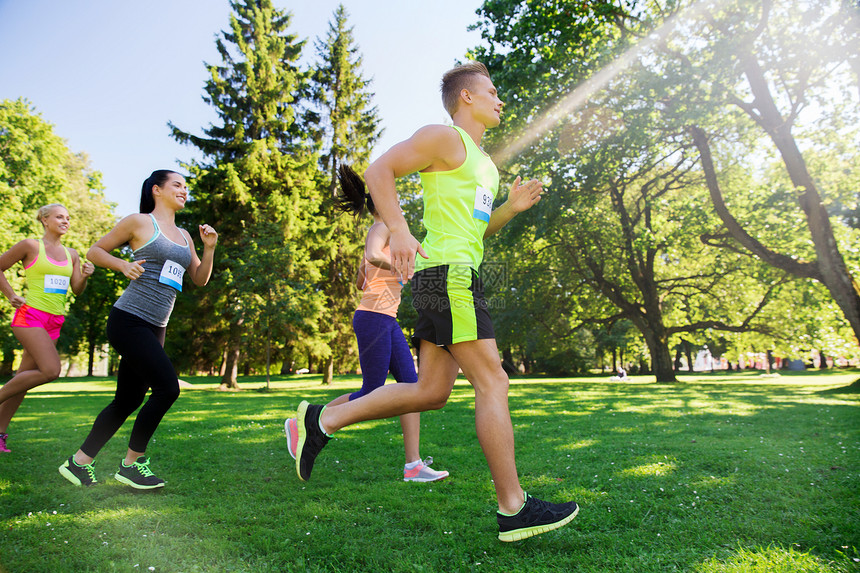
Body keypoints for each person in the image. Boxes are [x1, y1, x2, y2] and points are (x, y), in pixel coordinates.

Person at [292, 62, 579, 542]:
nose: (499, 98)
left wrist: (509, 208)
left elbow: (476, 230)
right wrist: (400, 230)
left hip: (453, 275)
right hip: (448, 277)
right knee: (494, 381)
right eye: (491, 91)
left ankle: (321, 420)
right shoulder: (446, 139)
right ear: (465, 98)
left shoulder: (485, 165)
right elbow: (378, 170)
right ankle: (514, 508)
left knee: (431, 392)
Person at [284, 165, 448, 483]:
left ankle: (413, 465)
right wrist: (401, 263)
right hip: (374, 318)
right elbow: (374, 256)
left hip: (385, 318)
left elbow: (362, 278)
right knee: (372, 390)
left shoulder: (382, 230)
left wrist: (383, 267)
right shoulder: (383, 227)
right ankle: (307, 423)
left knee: (413, 387)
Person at [58, 170, 217, 489]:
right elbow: (95, 251)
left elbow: (199, 279)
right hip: (129, 319)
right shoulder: (140, 222)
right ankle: (131, 464)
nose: (184, 190)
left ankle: (79, 463)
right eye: (177, 184)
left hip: (157, 326)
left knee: (127, 400)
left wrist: (209, 247)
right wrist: (122, 265)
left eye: (186, 187)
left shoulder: (186, 236)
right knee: (168, 388)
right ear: (157, 190)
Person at [0, 204, 95, 453]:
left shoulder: (72, 254)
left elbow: (76, 289)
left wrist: (84, 274)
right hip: (30, 316)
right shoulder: (31, 246)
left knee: (22, 383)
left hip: (55, 321)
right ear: (44, 220)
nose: (66, 221)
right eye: (59, 217)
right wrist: (10, 295)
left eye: (68, 217)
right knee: (51, 370)